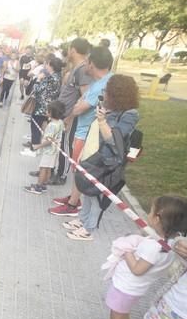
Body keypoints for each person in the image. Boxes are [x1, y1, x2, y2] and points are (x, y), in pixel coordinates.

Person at [83, 196, 187, 319]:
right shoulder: (168, 244)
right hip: (133, 289)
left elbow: (137, 269)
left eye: (151, 211)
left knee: (117, 317)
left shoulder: (153, 247)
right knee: (122, 315)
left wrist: (127, 251)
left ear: (158, 217)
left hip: (126, 288)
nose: (148, 214)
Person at [62, 74, 139, 241]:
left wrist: (102, 120)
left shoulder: (130, 114)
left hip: (109, 163)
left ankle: (89, 230)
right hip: (94, 156)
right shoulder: (110, 108)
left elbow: (114, 140)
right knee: (88, 192)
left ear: (118, 93)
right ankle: (82, 220)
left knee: (98, 195)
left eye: (108, 90)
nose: (105, 93)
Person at [49, 46, 114, 217]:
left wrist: (78, 106)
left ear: (92, 64)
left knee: (80, 169)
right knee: (77, 167)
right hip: (83, 130)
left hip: (87, 134)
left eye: (87, 61)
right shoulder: (101, 82)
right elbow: (80, 102)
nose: (85, 64)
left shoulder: (104, 84)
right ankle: (73, 197)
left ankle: (72, 205)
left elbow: (80, 107)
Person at [53, 38, 92, 185]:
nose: (68, 52)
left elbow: (85, 97)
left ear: (73, 50)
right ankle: (55, 171)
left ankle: (62, 176)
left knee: (65, 146)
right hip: (63, 114)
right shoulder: (76, 68)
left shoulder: (82, 69)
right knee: (60, 144)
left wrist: (70, 117)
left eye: (69, 49)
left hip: (70, 116)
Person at [23, 101, 65, 194]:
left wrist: (38, 146)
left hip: (48, 151)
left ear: (51, 112)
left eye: (48, 110)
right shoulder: (60, 122)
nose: (46, 111)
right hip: (54, 151)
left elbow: (48, 140)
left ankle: (38, 186)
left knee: (43, 168)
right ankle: (44, 185)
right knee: (48, 168)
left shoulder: (51, 126)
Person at [23, 56, 62, 149]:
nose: (46, 66)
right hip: (49, 105)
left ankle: (34, 146)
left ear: (51, 66)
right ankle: (40, 143)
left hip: (41, 106)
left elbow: (37, 89)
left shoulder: (50, 78)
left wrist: (38, 79)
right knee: (43, 125)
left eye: (47, 64)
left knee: (35, 126)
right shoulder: (58, 76)